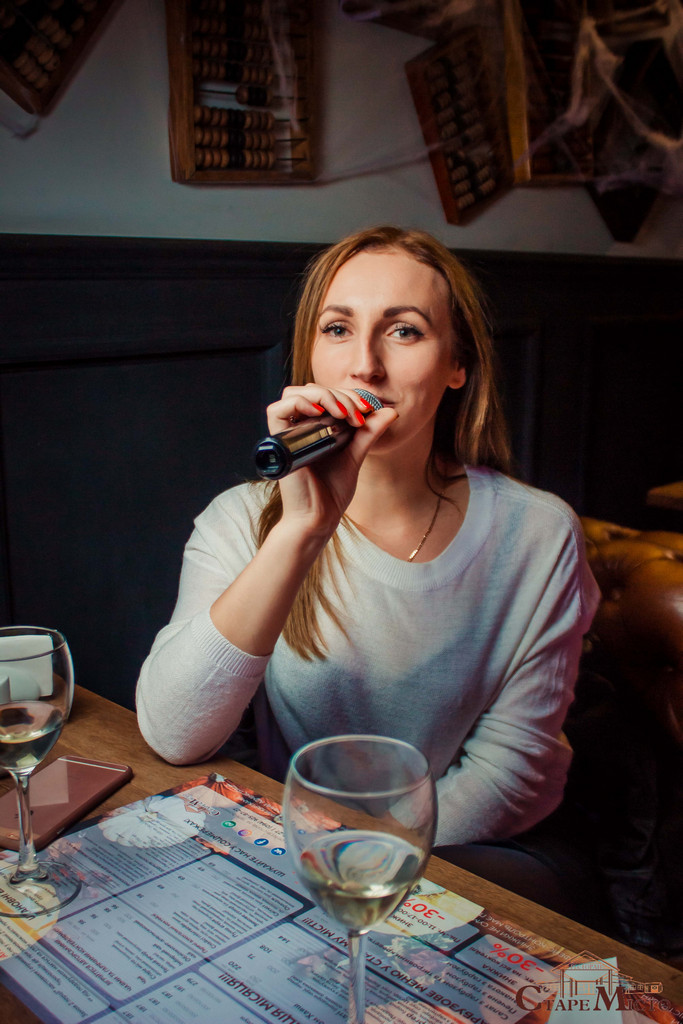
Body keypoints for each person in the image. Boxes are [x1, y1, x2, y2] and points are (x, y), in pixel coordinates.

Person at [136, 225, 600, 916]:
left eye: (404, 331)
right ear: (309, 358)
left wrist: (354, 861)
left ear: (457, 364)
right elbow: (175, 733)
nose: (364, 367)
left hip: (458, 855)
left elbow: (514, 773)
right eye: (338, 329)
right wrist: (300, 532)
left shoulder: (538, 533)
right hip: (297, 858)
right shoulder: (239, 521)